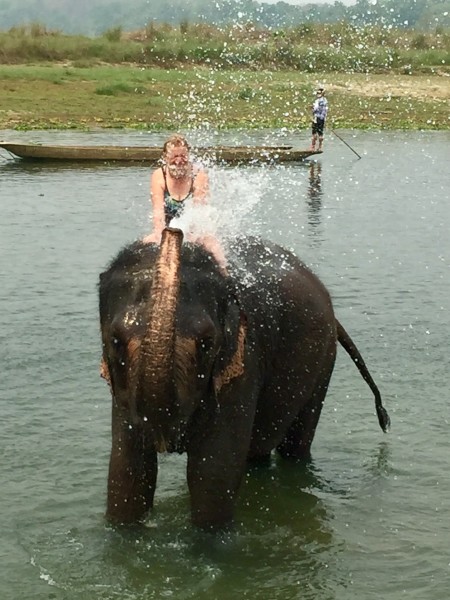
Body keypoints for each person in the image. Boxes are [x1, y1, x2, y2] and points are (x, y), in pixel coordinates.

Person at [143, 133, 228, 274]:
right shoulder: (159, 176)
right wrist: (160, 237)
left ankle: (226, 278)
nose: (179, 161)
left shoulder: (199, 175)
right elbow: (158, 212)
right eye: (174, 157)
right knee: (141, 247)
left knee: (214, 249)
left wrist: (190, 239)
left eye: (183, 156)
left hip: (194, 228)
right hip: (167, 228)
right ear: (165, 157)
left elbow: (199, 211)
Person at [310, 86, 329, 152]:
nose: (317, 94)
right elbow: (325, 111)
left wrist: (312, 108)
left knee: (314, 133)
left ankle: (312, 147)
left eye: (319, 93)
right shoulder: (325, 101)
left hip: (316, 118)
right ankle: (320, 147)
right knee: (320, 133)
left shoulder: (318, 101)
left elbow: (315, 109)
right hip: (322, 119)